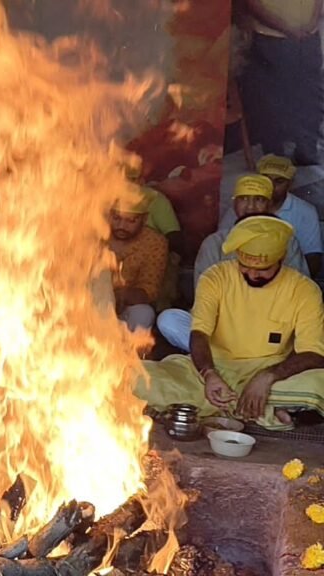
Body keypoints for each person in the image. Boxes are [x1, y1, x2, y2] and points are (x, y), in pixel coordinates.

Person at [136, 216, 324, 430]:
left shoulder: (305, 290)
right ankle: (266, 410)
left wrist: (268, 376)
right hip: (210, 371)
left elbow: (313, 354)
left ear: (281, 258)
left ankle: (235, 406)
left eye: (263, 269)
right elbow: (199, 334)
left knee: (319, 383)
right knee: (132, 376)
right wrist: (209, 374)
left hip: (269, 374)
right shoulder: (216, 278)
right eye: (245, 266)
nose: (252, 274)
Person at [157, 175, 308, 351]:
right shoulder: (214, 243)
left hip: (268, 324)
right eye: (244, 199)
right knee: (169, 320)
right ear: (235, 204)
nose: (250, 207)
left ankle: (223, 358)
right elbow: (204, 297)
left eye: (259, 200)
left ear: (269, 206)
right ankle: (224, 357)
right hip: (222, 327)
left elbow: (298, 292)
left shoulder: (286, 242)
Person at [238, 0, 323, 166]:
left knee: (310, 97)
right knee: (273, 102)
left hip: (308, 38)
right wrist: (288, 29)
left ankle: (306, 151)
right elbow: (253, 4)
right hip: (272, 38)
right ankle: (275, 159)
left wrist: (313, 22)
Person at [219, 155, 322, 277]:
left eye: (279, 181)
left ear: (290, 184)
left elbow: (312, 258)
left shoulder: (303, 217)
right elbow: (219, 246)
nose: (271, 186)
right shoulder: (240, 209)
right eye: (266, 179)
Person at [109, 189, 168, 331]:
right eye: (116, 218)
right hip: (84, 306)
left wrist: (119, 296)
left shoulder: (154, 242)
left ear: (145, 218)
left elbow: (150, 289)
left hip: (124, 308)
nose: (122, 226)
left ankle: (127, 352)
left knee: (144, 313)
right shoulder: (93, 234)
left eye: (131, 220)